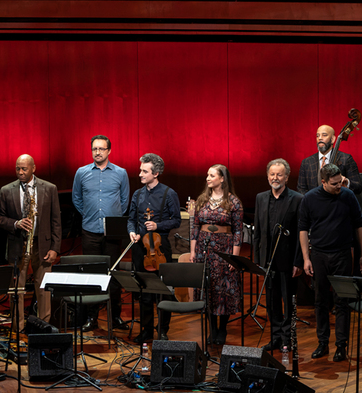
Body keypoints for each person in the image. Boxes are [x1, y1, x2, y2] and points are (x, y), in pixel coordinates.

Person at [299, 163, 362, 362]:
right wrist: (306, 258)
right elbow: (303, 229)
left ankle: (341, 346)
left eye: (340, 182)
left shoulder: (348, 196)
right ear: (323, 182)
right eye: (335, 184)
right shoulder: (310, 198)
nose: (339, 186)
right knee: (320, 301)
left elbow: (360, 225)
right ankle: (322, 343)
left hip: (342, 255)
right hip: (319, 255)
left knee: (342, 302)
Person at [0, 154, 61, 328]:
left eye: (24, 168)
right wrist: (16, 223)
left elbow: (56, 220)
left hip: (43, 245)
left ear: (34, 168)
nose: (20, 172)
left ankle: (44, 327)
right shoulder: (6, 190)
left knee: (44, 290)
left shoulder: (49, 188)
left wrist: (55, 247)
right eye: (18, 168)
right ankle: (18, 328)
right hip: (18, 245)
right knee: (16, 289)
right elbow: (0, 219)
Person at [72, 135, 130, 330]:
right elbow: (77, 199)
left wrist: (111, 218)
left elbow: (124, 201)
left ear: (109, 151)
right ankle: (92, 317)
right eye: (94, 149)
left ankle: (115, 317)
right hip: (89, 230)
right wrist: (90, 216)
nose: (98, 152)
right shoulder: (81, 172)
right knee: (92, 274)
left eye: (101, 149)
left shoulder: (121, 173)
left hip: (113, 233)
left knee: (113, 274)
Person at [127, 153, 181, 344]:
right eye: (140, 170)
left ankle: (163, 330)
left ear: (156, 173)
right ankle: (146, 331)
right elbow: (131, 219)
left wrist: (158, 226)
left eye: (144, 171)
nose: (140, 174)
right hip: (141, 248)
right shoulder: (138, 194)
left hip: (160, 247)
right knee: (144, 292)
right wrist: (132, 232)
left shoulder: (169, 193)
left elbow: (176, 220)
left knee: (162, 290)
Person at [190, 164, 244, 345]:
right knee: (208, 289)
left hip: (225, 248)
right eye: (207, 175)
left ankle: (223, 329)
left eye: (211, 175)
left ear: (222, 178)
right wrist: (192, 251)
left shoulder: (233, 202)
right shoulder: (202, 200)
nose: (207, 178)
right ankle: (212, 329)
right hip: (204, 249)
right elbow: (195, 226)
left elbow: (238, 231)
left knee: (224, 289)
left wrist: (234, 257)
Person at [253, 159, 303, 352]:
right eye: (272, 174)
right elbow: (258, 231)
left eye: (279, 174)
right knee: (272, 302)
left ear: (287, 177)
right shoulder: (261, 198)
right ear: (267, 176)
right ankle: (275, 337)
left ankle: (287, 339)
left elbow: (301, 233)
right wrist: (257, 260)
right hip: (268, 260)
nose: (275, 178)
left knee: (288, 301)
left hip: (288, 260)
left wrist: (298, 261)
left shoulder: (297, 199)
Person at [297, 124, 362, 196]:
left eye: (324, 135)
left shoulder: (346, 159)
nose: (320, 138)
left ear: (333, 139)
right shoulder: (306, 162)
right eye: (317, 135)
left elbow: (358, 187)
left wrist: (347, 182)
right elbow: (301, 189)